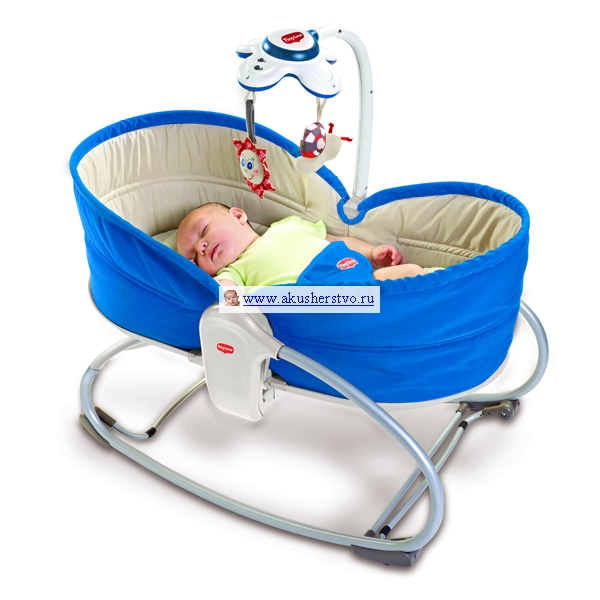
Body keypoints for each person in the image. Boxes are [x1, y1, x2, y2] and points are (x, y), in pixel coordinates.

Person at [176, 202, 426, 288]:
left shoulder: (288, 225)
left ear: (238, 215)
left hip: (351, 271)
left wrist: (371, 252)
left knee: (412, 272)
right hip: (307, 299)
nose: (201, 248)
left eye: (204, 231)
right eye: (194, 258)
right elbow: (227, 299)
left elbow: (338, 241)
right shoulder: (232, 272)